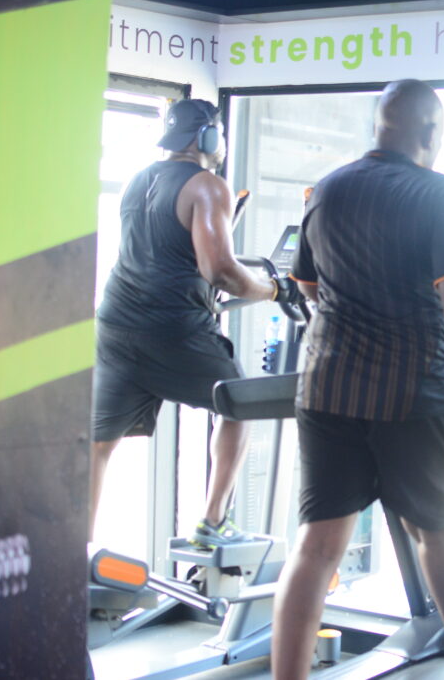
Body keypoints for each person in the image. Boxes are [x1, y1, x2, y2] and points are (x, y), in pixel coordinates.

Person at [271, 79, 444, 680]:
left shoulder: (326, 189)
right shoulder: (442, 193)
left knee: (316, 545)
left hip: (326, 390)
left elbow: (307, 287)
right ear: (431, 132)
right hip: (415, 394)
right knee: (436, 533)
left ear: (379, 127)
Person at [90, 99, 298, 549]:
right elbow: (220, 270)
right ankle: (213, 522)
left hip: (114, 324)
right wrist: (273, 290)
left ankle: (72, 547)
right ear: (208, 136)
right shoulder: (208, 186)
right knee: (239, 403)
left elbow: (163, 252)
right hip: (172, 328)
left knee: (98, 442)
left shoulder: (137, 179)